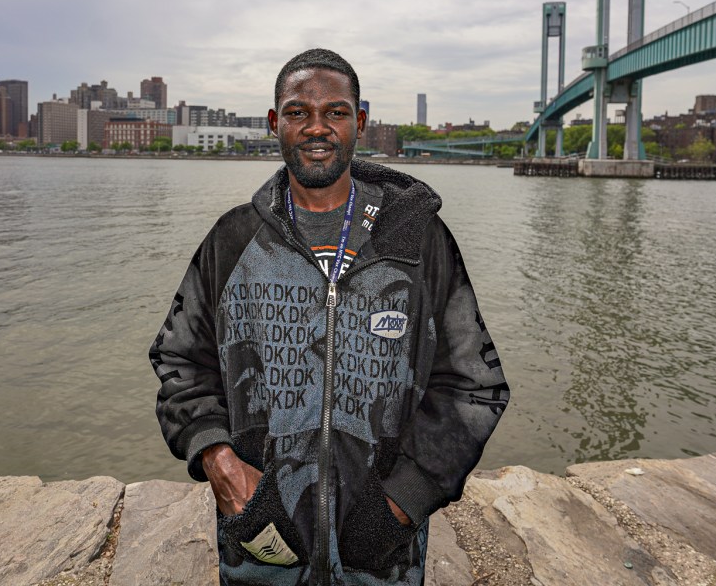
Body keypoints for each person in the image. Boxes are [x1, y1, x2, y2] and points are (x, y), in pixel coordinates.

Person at [150, 48, 509, 585]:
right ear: (275, 124)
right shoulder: (232, 241)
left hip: (382, 553)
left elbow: (473, 386)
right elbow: (180, 359)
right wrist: (217, 458)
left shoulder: (418, 243)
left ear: (359, 122)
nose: (317, 127)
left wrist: (403, 502)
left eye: (336, 112)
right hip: (261, 548)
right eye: (298, 112)